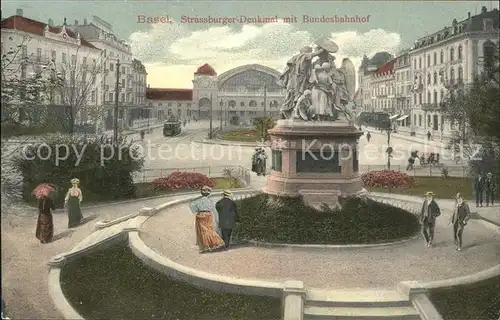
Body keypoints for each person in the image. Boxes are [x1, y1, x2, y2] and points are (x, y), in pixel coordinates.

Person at [189, 186, 225, 253]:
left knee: (202, 231)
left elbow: (193, 208)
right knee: (209, 229)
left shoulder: (198, 201)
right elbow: (214, 210)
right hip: (208, 215)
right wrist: (217, 219)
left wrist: (197, 210)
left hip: (200, 215)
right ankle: (213, 243)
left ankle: (206, 246)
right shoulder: (210, 201)